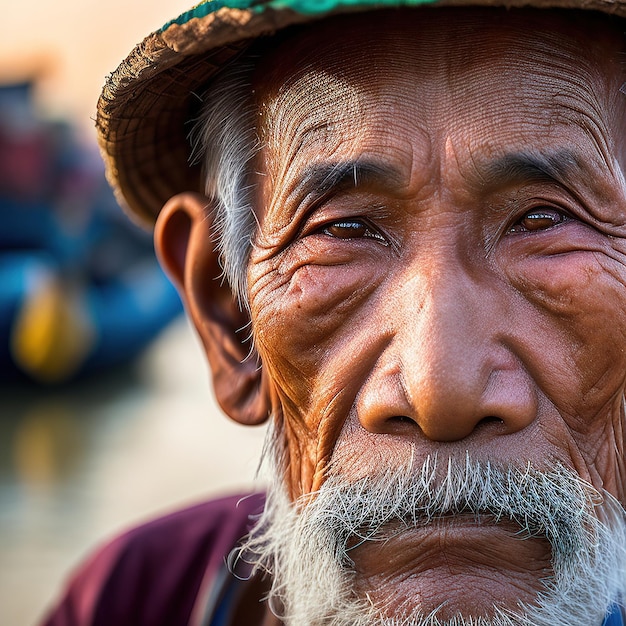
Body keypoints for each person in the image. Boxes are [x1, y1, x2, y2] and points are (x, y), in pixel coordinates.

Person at [41, 0, 626, 624]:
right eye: (343, 230)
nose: (439, 394)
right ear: (226, 322)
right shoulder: (135, 599)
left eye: (543, 221)